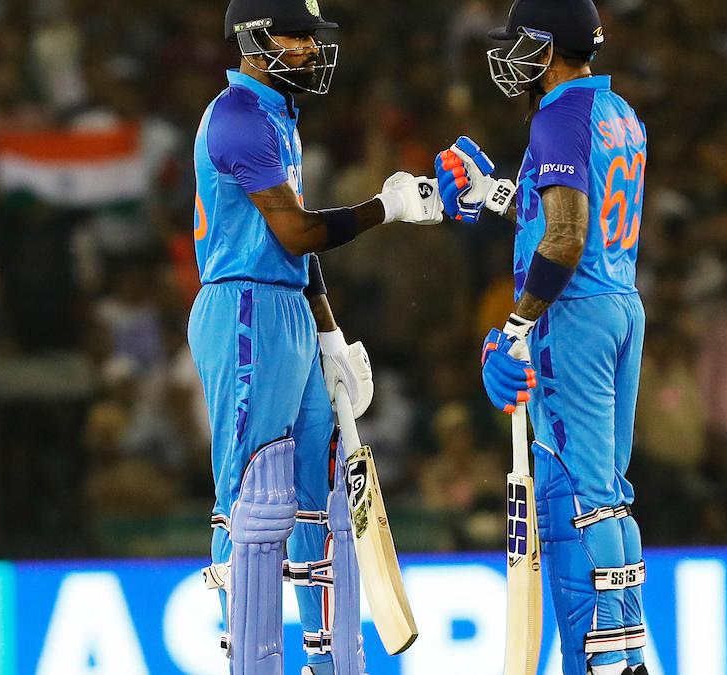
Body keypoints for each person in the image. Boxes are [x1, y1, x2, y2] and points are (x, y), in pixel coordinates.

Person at [188, 2, 443, 674]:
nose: (308, 48)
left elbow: (295, 246)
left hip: (287, 307)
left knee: (313, 494)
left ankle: (325, 661)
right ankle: (246, 661)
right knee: (250, 498)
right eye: (294, 36)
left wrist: (328, 331)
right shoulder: (239, 117)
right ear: (253, 40)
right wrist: (387, 207)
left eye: (310, 36)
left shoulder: (278, 115)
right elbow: (296, 233)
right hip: (244, 308)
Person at [435, 1, 648, 672]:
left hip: (572, 315)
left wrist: (517, 326)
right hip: (620, 303)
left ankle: (605, 658)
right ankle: (628, 647)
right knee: (608, 490)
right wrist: (495, 192)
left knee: (581, 494)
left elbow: (565, 236)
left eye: (521, 43)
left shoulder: (556, 115)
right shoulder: (619, 112)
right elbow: (563, 213)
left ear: (548, 48)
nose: (512, 57)